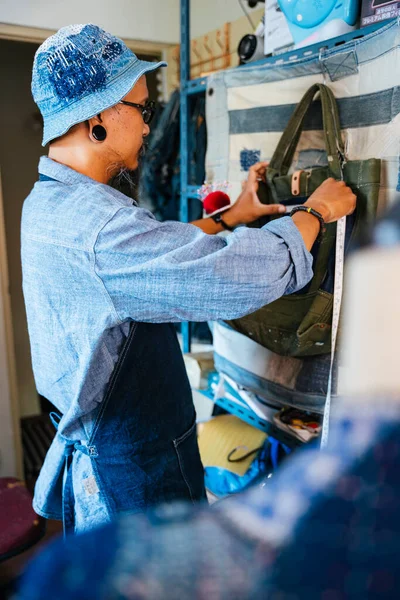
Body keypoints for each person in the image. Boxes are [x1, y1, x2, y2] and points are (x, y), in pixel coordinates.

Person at [21, 23, 356, 535]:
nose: (150, 128)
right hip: (134, 477)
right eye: (142, 110)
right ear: (97, 120)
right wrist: (314, 211)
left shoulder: (50, 204)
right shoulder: (98, 229)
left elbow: (150, 257)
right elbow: (230, 276)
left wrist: (235, 214)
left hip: (118, 457)